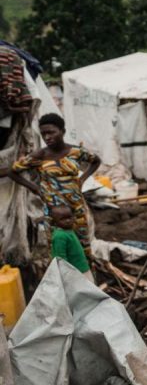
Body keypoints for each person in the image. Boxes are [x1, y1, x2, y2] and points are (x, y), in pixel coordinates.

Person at [10, 113, 101, 257]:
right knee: (59, 250)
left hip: (76, 207)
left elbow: (96, 161)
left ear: (63, 131)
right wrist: (34, 188)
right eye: (43, 134)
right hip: (53, 211)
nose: (47, 137)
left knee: (82, 247)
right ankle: (62, 278)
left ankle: (86, 277)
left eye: (51, 132)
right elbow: (13, 171)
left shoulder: (76, 152)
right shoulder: (40, 155)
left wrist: (82, 179)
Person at [50, 205, 95, 283]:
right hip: (75, 273)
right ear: (55, 222)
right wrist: (67, 275)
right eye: (62, 219)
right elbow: (60, 258)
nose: (67, 221)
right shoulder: (60, 236)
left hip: (81, 269)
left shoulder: (69, 231)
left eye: (69, 217)